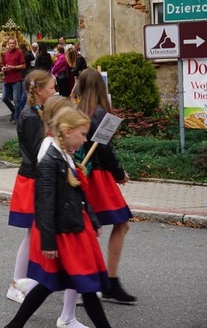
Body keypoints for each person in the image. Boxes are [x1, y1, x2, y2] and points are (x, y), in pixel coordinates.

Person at [5, 107, 112, 328]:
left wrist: (92, 220)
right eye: (82, 134)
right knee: (86, 285)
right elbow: (44, 205)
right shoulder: (50, 162)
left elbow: (79, 195)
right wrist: (48, 241)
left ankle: (14, 326)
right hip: (65, 235)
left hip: (74, 230)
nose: (85, 140)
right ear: (66, 132)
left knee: (48, 284)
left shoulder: (66, 157)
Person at [76, 68, 136, 304]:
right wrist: (119, 173)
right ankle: (106, 281)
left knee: (87, 229)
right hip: (99, 176)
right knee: (119, 224)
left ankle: (94, 282)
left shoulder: (78, 111)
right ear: (101, 88)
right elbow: (105, 148)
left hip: (85, 174)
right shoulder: (99, 113)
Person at [8, 70, 56, 302]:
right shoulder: (30, 116)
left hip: (36, 178)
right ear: (38, 91)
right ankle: (16, 283)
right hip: (32, 180)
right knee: (32, 234)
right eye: (51, 89)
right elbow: (39, 153)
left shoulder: (39, 113)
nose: (55, 92)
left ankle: (30, 281)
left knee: (36, 234)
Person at [1, 38, 26, 125]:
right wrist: (3, 68)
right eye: (10, 43)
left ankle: (16, 117)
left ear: (15, 44)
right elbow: (3, 65)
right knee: (4, 98)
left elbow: (23, 66)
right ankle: (14, 110)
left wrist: (13, 67)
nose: (12, 45)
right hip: (7, 78)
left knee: (16, 99)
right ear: (8, 44)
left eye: (13, 43)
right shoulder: (6, 54)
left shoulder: (19, 53)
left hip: (16, 79)